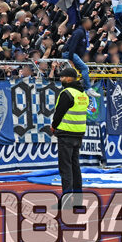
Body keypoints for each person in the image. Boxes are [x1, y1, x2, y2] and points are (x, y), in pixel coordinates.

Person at [50, 67, 89, 203]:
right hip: (78, 134)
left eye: (62, 77)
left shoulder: (67, 93)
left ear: (68, 78)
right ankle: (78, 201)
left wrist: (53, 127)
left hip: (66, 133)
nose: (61, 79)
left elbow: (59, 113)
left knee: (65, 168)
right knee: (75, 167)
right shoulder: (83, 94)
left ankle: (66, 201)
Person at [64, 17, 92, 89]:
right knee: (85, 68)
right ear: (85, 23)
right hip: (69, 53)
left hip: (73, 54)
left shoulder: (83, 32)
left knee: (80, 70)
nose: (91, 24)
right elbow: (72, 45)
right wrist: (70, 58)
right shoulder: (79, 32)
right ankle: (88, 88)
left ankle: (81, 86)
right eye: (89, 22)